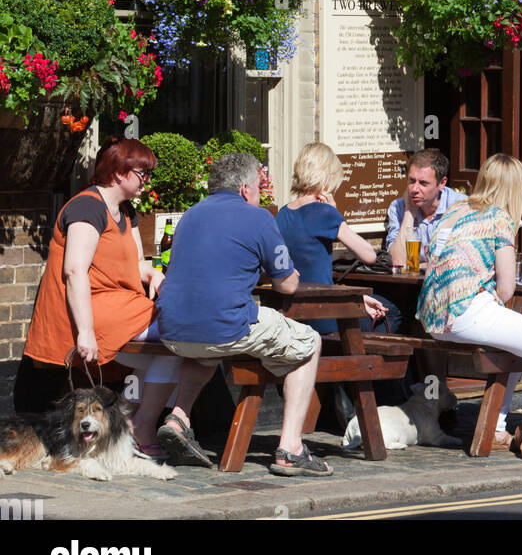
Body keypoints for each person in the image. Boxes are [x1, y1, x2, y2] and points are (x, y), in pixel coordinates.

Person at [155, 152, 331, 476]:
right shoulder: (259, 217)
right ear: (244, 189)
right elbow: (287, 285)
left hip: (172, 331)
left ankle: (178, 417)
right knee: (310, 341)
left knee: (202, 352)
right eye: (257, 187)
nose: (258, 193)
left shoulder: (189, 217)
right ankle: (291, 448)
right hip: (226, 327)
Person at [22, 137, 182, 459]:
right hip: (94, 308)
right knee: (179, 337)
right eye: (142, 173)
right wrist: (85, 331)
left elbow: (136, 263)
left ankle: (130, 426)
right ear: (120, 171)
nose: (146, 181)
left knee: (179, 345)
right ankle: (141, 427)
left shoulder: (126, 210)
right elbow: (75, 272)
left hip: (121, 304)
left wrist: (153, 274)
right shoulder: (87, 207)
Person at [417, 153, 522, 462]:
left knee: (517, 346)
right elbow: (507, 287)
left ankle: (498, 429)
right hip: (467, 313)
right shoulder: (499, 218)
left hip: (433, 320)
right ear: (516, 188)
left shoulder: (454, 210)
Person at [275, 141, 396, 335]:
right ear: (326, 180)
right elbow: (369, 256)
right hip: (322, 319)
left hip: (290, 314)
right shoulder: (324, 212)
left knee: (365, 305)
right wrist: (335, 214)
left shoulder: (282, 213)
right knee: (394, 312)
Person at [386, 148, 462, 267]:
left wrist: (421, 265)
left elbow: (461, 260)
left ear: (442, 183)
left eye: (423, 183)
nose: (414, 189)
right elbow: (397, 262)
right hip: (408, 283)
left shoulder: (460, 207)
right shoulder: (398, 207)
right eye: (411, 181)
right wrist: (409, 212)